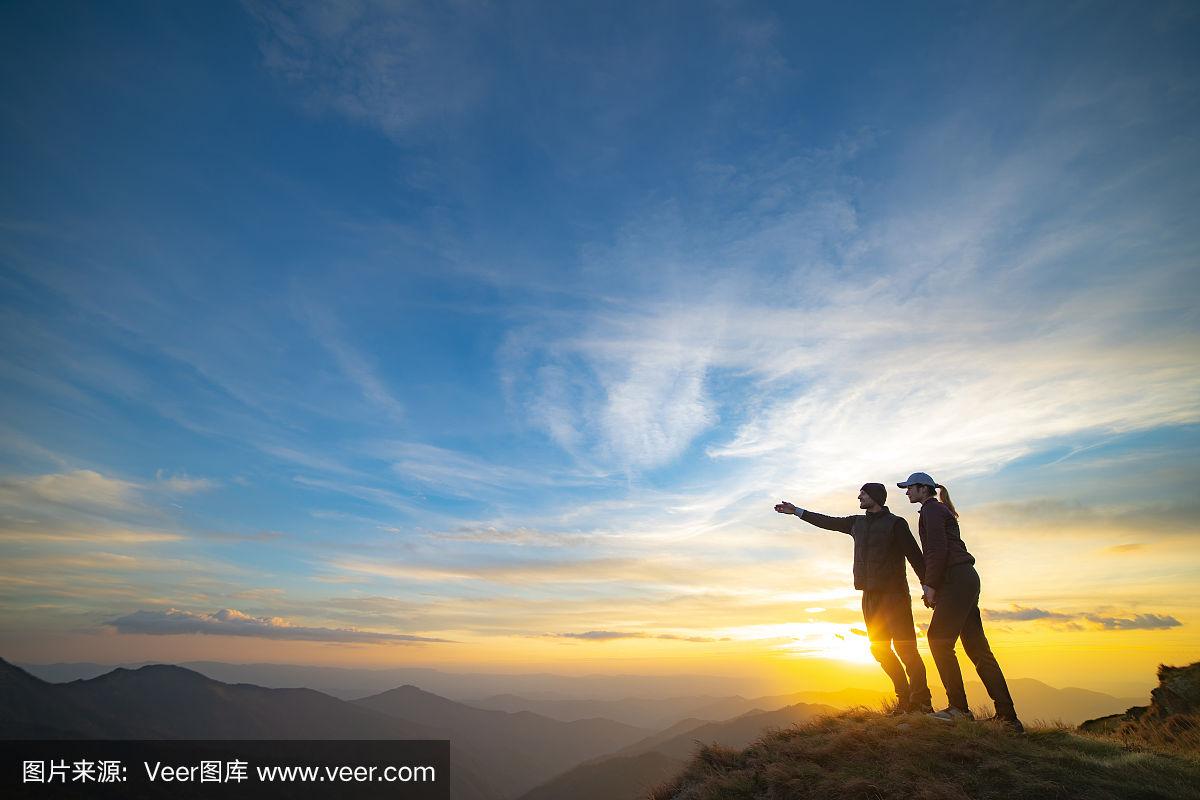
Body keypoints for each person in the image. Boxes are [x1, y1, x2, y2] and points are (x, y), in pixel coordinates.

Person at [775, 483, 933, 714]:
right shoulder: (856, 523)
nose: (859, 497)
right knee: (879, 650)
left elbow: (915, 556)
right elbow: (827, 522)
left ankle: (922, 702)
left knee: (906, 650)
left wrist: (927, 586)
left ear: (875, 497)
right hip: (869, 595)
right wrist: (797, 511)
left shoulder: (896, 524)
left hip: (895, 595)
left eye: (864, 493)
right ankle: (905, 698)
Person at [898, 471, 1024, 732]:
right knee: (978, 649)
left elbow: (937, 549)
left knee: (938, 640)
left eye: (910, 488)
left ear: (923, 489)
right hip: (964, 578)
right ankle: (1008, 718)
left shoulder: (931, 510)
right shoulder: (937, 509)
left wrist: (930, 585)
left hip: (956, 578)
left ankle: (959, 709)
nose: (907, 492)